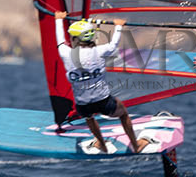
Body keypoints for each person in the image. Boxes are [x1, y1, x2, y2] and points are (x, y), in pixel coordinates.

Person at [56, 16, 152, 154]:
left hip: (82, 105)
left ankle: (102, 144)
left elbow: (59, 41)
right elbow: (113, 44)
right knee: (123, 114)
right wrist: (118, 26)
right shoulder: (100, 51)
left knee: (89, 117)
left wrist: (58, 19)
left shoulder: (65, 53)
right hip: (103, 101)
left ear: (75, 39)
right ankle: (136, 146)